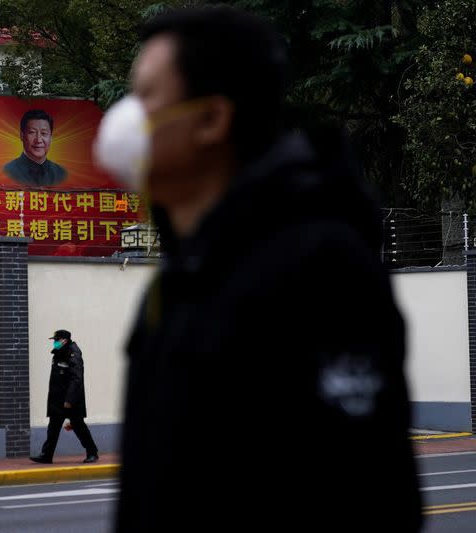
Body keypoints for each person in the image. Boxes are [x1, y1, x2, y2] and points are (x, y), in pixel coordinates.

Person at [93, 7, 421, 532]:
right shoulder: (182, 275)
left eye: (149, 96)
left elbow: (368, 495)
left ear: (212, 119)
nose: (125, 118)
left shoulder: (321, 267)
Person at [30, 329, 99, 464]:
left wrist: (69, 400)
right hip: (58, 399)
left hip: (70, 400)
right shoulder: (58, 353)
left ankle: (92, 452)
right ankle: (46, 455)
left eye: (56, 340)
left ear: (64, 340)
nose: (54, 343)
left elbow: (76, 379)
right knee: (53, 427)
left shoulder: (74, 354)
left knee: (78, 426)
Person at [3, 109, 68, 187]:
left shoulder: (61, 173)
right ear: (22, 136)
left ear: (51, 137)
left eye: (44, 133)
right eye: (32, 132)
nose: (38, 140)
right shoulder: (8, 171)